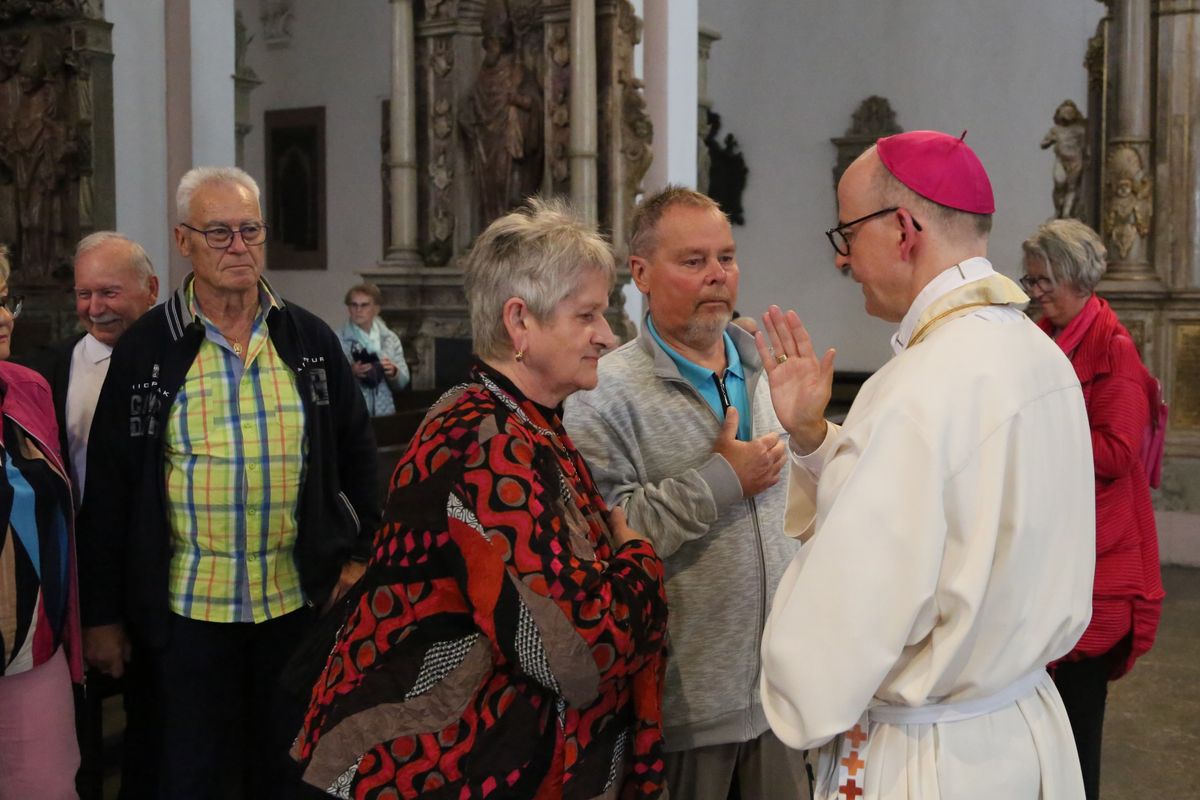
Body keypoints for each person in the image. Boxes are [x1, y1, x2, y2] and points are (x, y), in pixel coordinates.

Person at [292, 199, 669, 799]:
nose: (608, 334)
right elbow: (573, 655)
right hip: (446, 764)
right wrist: (640, 564)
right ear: (520, 323)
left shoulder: (519, 418)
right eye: (588, 315)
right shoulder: (485, 440)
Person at [758, 131, 1095, 799]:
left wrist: (791, 687)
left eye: (847, 234)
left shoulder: (916, 388)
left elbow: (844, 630)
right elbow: (954, 527)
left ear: (904, 230)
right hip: (1021, 730)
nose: (843, 260)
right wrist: (813, 438)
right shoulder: (1040, 358)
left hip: (931, 761)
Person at [76, 167, 380, 799]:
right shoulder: (146, 350)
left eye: (250, 230)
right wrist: (102, 616)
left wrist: (357, 557)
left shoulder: (308, 340)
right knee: (194, 775)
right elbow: (109, 489)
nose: (239, 246)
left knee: (288, 773)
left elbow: (359, 456)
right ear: (183, 241)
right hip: (187, 613)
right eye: (219, 233)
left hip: (293, 603)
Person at [564, 187, 807, 800]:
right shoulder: (603, 392)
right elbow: (610, 532)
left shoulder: (768, 369)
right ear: (641, 273)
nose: (717, 276)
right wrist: (724, 479)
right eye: (693, 261)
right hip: (682, 708)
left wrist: (814, 432)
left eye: (726, 258)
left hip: (784, 696)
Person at [1021, 218, 1165, 800]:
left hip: (1100, 566)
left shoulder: (1112, 348)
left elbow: (1117, 451)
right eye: (1029, 281)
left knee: (1077, 732)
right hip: (1064, 549)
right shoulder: (1050, 334)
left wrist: (1037, 430)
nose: (1033, 292)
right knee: (1048, 734)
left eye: (1042, 281)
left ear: (1075, 278)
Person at [20, 231, 159, 800]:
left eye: (109, 292)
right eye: (83, 294)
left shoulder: (185, 361)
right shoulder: (48, 373)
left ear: (150, 290)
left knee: (158, 727)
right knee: (73, 728)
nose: (95, 308)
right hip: (75, 571)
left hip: (158, 573)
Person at [0, 243, 83, 800]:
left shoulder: (29, 389)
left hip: (34, 642)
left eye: (4, 299)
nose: (5, 316)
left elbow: (59, 520)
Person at [337, 282, 409, 416]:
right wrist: (350, 371)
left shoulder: (389, 339)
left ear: (376, 309)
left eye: (364, 305)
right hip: (352, 413)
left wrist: (394, 371)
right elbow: (329, 379)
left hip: (384, 412)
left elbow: (403, 382)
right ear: (348, 308)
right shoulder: (338, 339)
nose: (358, 310)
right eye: (354, 305)